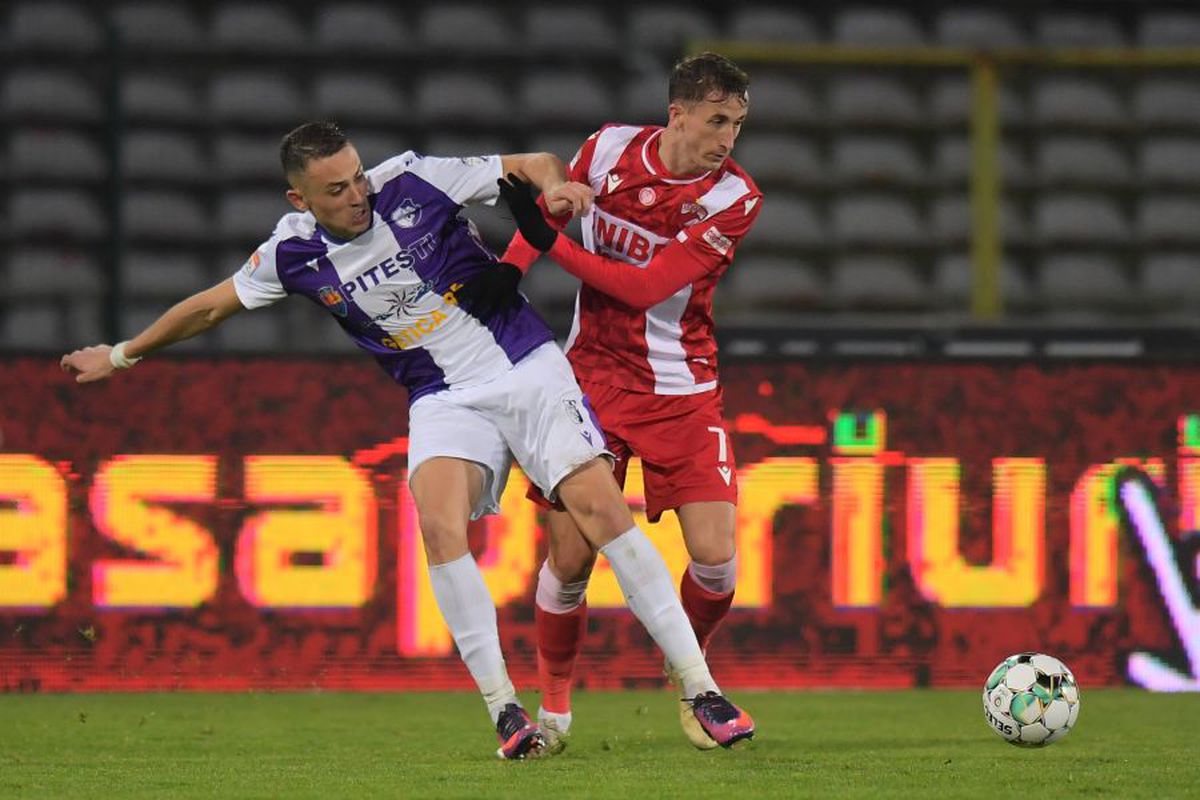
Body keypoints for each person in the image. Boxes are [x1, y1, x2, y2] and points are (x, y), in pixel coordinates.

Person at [60, 121, 754, 758]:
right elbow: (211, 304)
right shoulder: (291, 254)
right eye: (337, 189)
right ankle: (507, 714)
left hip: (522, 363)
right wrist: (123, 354)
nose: (358, 194)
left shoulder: (413, 179)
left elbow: (534, 163)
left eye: (358, 175)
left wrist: (558, 188)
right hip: (444, 396)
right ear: (299, 198)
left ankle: (700, 688)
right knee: (436, 516)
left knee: (603, 511)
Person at [486, 53, 763, 751]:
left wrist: (550, 244)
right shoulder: (607, 148)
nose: (728, 137)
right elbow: (543, 213)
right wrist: (510, 272)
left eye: (738, 123)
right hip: (590, 384)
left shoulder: (736, 198)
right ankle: (554, 714)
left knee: (716, 558)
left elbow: (644, 288)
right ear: (679, 113)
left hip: (681, 389)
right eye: (717, 119)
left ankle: (688, 672)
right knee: (570, 562)